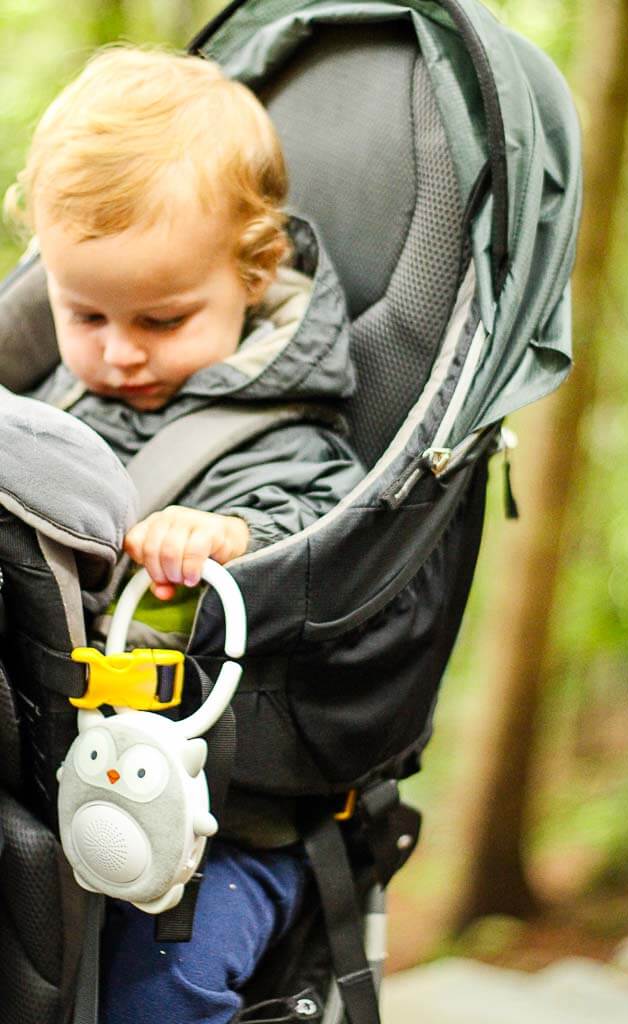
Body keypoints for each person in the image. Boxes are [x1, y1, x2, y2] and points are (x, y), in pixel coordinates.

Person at [5, 45, 364, 1024]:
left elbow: (321, 528)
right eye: (86, 313)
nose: (119, 352)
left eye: (161, 319)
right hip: (48, 779)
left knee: (154, 996)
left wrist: (227, 533)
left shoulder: (285, 436)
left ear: (254, 274)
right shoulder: (50, 389)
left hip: (219, 831)